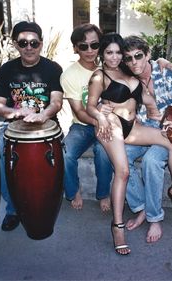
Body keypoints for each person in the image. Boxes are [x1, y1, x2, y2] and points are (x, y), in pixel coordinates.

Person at [86, 33, 172, 255]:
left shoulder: (128, 68)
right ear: (102, 54)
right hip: (109, 125)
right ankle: (117, 226)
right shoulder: (98, 76)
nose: (114, 57)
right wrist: (101, 116)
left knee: (171, 141)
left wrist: (164, 62)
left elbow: (146, 70)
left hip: (133, 126)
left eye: (117, 53)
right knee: (122, 171)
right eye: (109, 53)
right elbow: (90, 107)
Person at [120, 35, 172, 243]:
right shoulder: (128, 78)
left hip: (171, 127)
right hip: (144, 128)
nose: (134, 62)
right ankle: (141, 208)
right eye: (129, 58)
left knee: (152, 161)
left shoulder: (167, 71)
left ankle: (154, 218)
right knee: (121, 156)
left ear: (148, 54)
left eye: (138, 56)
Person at [0, 21, 63, 231]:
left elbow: (56, 103)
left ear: (41, 44)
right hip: (14, 128)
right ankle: (13, 210)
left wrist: (43, 115)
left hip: (47, 126)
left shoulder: (52, 68)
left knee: (57, 164)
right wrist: (16, 112)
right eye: (23, 43)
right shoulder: (7, 69)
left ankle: (45, 207)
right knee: (3, 160)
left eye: (34, 42)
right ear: (16, 44)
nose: (29, 47)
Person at [60, 23, 113, 211]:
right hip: (83, 124)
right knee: (65, 153)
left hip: (109, 122)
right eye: (83, 46)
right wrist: (99, 122)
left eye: (94, 45)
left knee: (104, 152)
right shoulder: (69, 75)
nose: (90, 50)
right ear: (76, 48)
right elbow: (79, 111)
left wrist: (161, 61)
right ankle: (73, 190)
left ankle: (103, 193)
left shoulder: (110, 65)